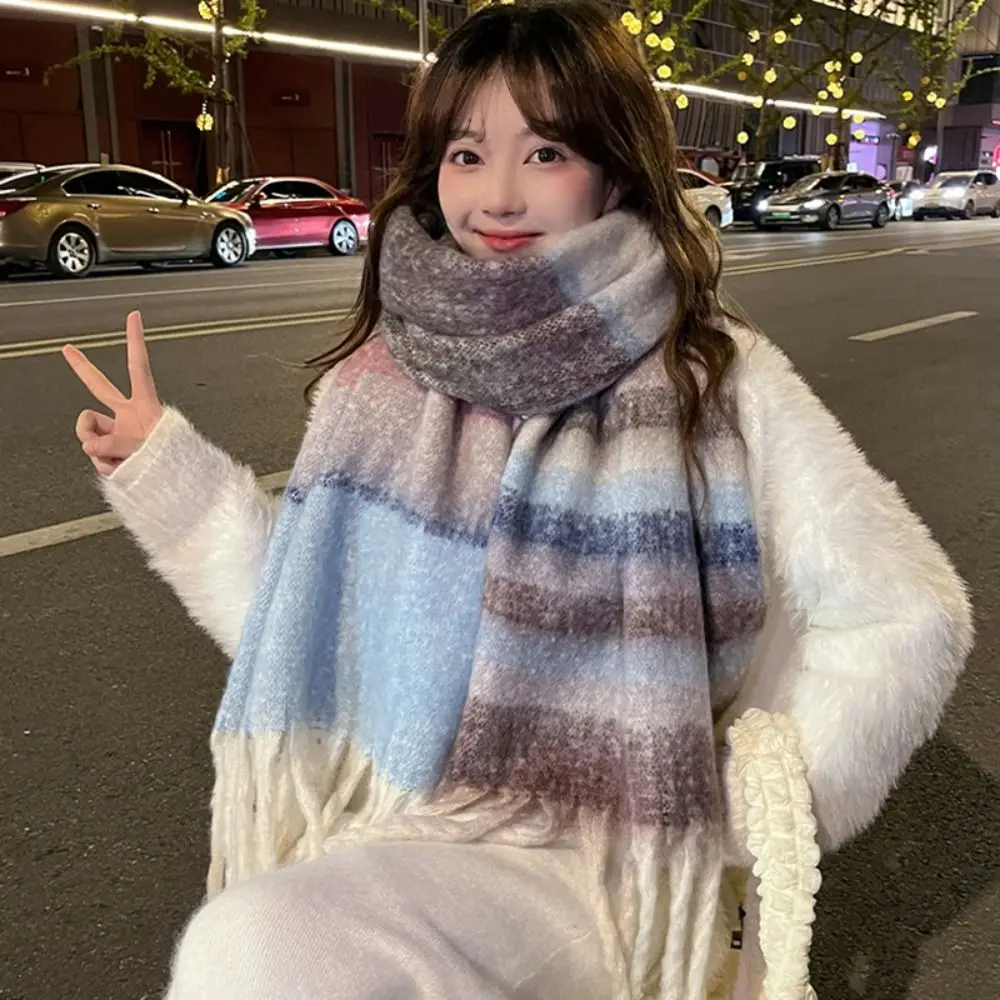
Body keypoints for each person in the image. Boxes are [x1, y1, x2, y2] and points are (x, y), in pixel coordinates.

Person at [62, 3, 972, 999]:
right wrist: (164, 470)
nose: (496, 195)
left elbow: (907, 614)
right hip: (398, 816)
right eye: (466, 153)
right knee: (247, 947)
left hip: (598, 863)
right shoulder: (381, 381)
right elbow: (306, 622)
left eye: (544, 153)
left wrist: (743, 814)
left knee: (257, 953)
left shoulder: (715, 382)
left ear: (614, 167)